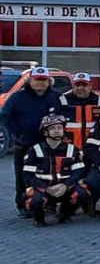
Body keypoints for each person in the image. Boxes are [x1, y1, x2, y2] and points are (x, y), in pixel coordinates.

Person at [1, 66, 60, 217]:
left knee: (50, 175)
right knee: (22, 176)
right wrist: (16, 132)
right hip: (24, 144)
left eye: (43, 80)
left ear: (49, 81)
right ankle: (23, 206)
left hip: (48, 146)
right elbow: (5, 116)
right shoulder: (17, 97)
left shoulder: (56, 97)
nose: (40, 83)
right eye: (36, 80)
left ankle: (50, 204)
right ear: (30, 81)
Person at [22, 114, 89, 226]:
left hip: (64, 188)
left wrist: (65, 185)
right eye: (52, 128)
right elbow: (27, 176)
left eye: (59, 128)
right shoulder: (34, 150)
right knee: (34, 200)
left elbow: (79, 172)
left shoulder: (72, 149)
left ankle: (65, 214)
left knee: (82, 193)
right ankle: (39, 219)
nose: (57, 131)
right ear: (45, 132)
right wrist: (46, 188)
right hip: (43, 189)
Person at [59, 72, 100, 152]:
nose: (80, 88)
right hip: (69, 149)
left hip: (94, 149)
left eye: (84, 85)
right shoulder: (62, 101)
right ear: (72, 86)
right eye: (77, 85)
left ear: (90, 86)